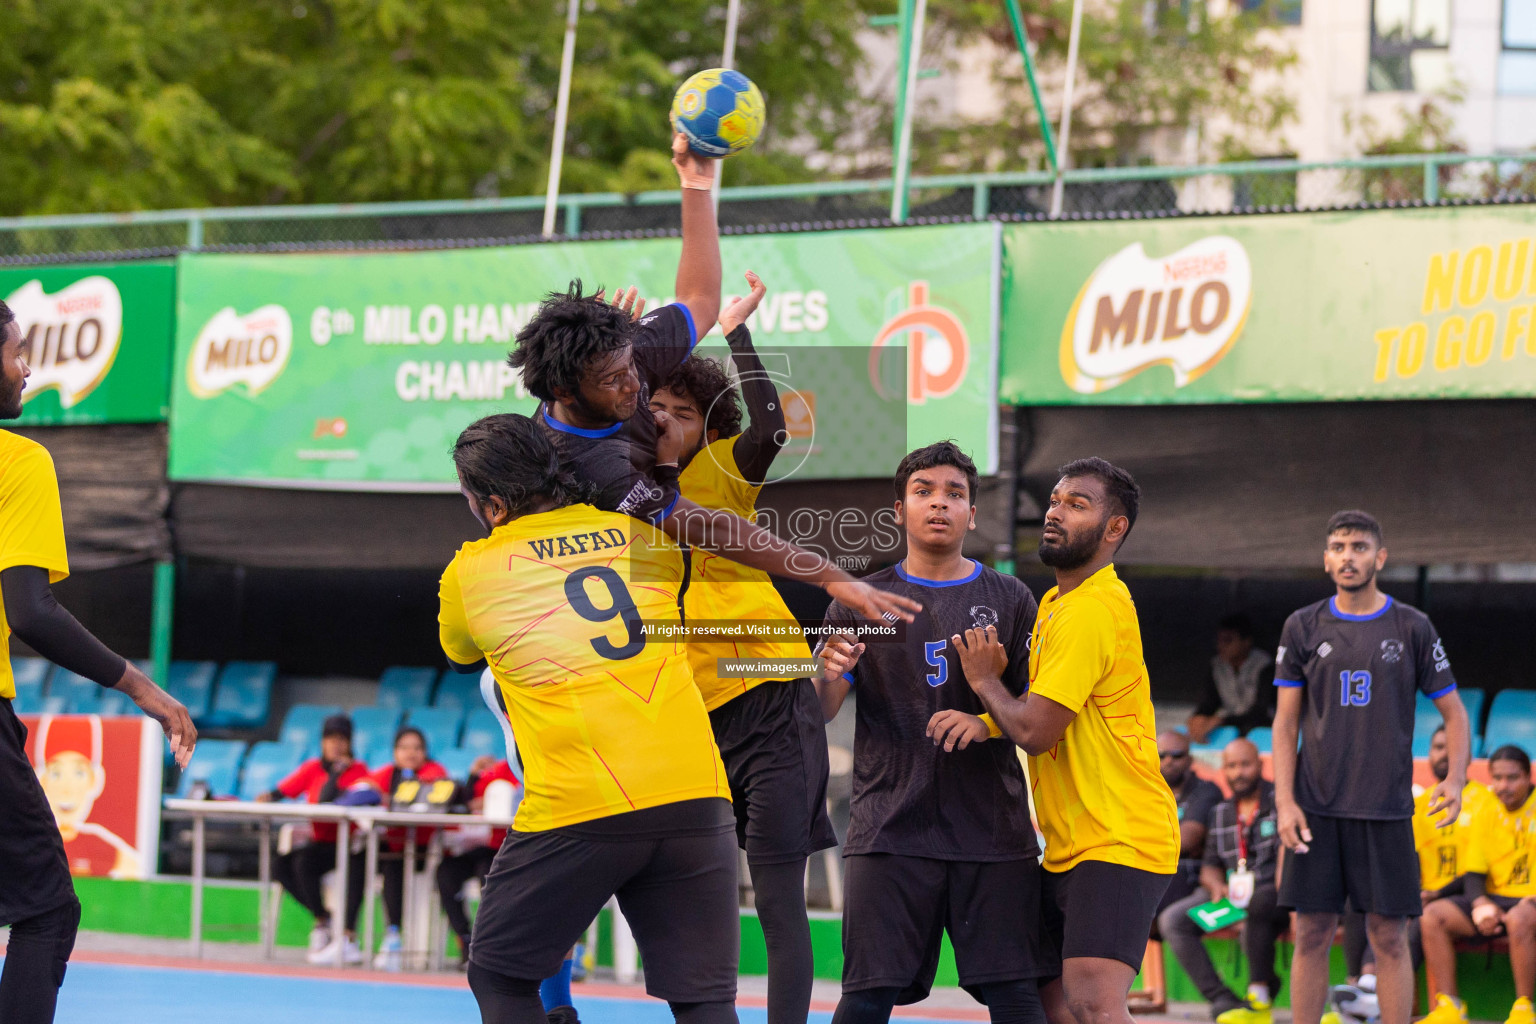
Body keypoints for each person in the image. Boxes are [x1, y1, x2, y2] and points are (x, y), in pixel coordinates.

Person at [509, 136, 918, 630]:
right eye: (613, 381)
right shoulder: (587, 465)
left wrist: (696, 183)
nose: (634, 385)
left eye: (631, 367)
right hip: (564, 608)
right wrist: (830, 575)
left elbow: (701, 297)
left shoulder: (629, 359)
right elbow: (709, 526)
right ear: (564, 393)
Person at [439, 413, 738, 1024]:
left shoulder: (470, 572)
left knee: (499, 974)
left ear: (493, 506)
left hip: (583, 804)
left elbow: (462, 654)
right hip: (699, 796)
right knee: (704, 1002)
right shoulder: (645, 536)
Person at [646, 271, 836, 1024]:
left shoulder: (722, 468)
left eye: (683, 411)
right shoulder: (618, 485)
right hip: (691, 717)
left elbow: (773, 430)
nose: (665, 419)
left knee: (779, 902)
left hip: (772, 694)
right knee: (698, 892)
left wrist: (735, 331)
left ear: (705, 424)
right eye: (653, 406)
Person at [0, 298, 195, 1024]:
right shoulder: (17, 461)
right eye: (16, 352)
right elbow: (30, 611)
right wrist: (146, 690)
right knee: (46, 908)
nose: (26, 368)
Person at [933, 457, 1179, 1024]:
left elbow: (1038, 733)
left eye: (1076, 504)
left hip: (1120, 836)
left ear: (1114, 529)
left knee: (1093, 1001)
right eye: (1054, 501)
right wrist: (988, 721)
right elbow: (1052, 708)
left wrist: (984, 683)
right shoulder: (1055, 604)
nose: (1054, 512)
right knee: (1051, 1005)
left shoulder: (1091, 609)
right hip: (1071, 843)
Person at [816, 442, 1053, 1024]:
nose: (939, 503)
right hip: (889, 827)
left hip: (992, 831)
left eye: (955, 493)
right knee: (866, 997)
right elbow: (820, 711)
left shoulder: (1010, 597)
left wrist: (986, 718)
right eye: (924, 491)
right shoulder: (860, 600)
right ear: (898, 509)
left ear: (973, 513)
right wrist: (824, 676)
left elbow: (1038, 710)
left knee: (1016, 997)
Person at [1272, 509, 1472, 1024]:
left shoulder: (1412, 626)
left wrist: (1455, 779)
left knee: (1389, 935)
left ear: (1379, 558)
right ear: (1325, 560)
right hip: (1315, 808)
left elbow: (1455, 713)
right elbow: (1284, 723)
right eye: (1338, 547)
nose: (1348, 557)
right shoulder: (1302, 625)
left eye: (1359, 547)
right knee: (1312, 932)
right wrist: (1285, 801)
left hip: (1385, 809)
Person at [1158, 738, 1289, 1024]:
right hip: (1231, 895)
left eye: (1245, 764)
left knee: (1259, 907)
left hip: (1274, 895)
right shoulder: (1221, 812)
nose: (1238, 772)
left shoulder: (1280, 803)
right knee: (1173, 920)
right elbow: (1210, 867)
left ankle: (1260, 995)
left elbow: (1289, 863)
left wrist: (1251, 907)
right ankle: (1222, 998)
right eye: (1231, 766)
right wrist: (1217, 886)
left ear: (1260, 765)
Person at [1419, 744, 1536, 1024]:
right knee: (1432, 916)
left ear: (1529, 776)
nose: (1503, 786)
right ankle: (1450, 1008)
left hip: (1529, 902)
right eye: (1497, 778)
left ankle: (1523, 1008)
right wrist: (1480, 904)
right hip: (1497, 899)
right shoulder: (1487, 808)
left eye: (1512, 778)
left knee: (1520, 917)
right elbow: (1473, 873)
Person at [258, 713, 372, 965]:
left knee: (304, 863)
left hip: (348, 844)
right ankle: (322, 918)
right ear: (322, 742)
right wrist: (265, 797)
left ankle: (344, 934)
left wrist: (336, 773)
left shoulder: (358, 771)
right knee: (282, 865)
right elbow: (281, 791)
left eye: (342, 740)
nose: (336, 745)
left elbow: (333, 800)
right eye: (330, 739)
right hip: (322, 843)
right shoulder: (312, 768)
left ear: (350, 743)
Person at [365, 725, 450, 970]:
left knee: (393, 865)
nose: (410, 753)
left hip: (425, 851)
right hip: (394, 848)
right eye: (404, 747)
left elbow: (429, 793)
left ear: (425, 752)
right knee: (380, 862)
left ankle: (394, 937)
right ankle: (390, 936)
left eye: (416, 748)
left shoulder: (434, 772)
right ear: (395, 752)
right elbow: (365, 786)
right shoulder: (388, 773)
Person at [437, 755, 520, 967]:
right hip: (477, 847)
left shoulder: (535, 769)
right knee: (445, 872)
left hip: (510, 848)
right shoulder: (493, 770)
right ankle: (465, 940)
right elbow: (466, 804)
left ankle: (490, 946)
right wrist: (473, 777)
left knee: (489, 873)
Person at [1157, 729, 1223, 911]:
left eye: (1176, 755)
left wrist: (1142, 838)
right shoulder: (1146, 791)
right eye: (1161, 755)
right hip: (1154, 865)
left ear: (1189, 759)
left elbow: (1185, 840)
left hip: (1189, 873)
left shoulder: (1206, 790)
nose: (1168, 761)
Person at [1188, 615, 1275, 742]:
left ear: (1246, 642)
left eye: (1228, 640)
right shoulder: (1217, 665)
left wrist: (1221, 720)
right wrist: (1199, 717)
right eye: (1219, 640)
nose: (1221, 646)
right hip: (1231, 733)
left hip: (1263, 732)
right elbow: (1209, 702)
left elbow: (1261, 711)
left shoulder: (1265, 666)